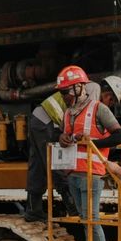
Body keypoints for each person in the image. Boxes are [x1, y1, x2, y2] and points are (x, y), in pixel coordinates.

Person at [56, 65, 121, 241]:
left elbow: (120, 137)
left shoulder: (99, 109)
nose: (64, 97)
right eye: (62, 94)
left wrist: (94, 142)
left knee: (91, 219)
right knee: (84, 219)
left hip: (92, 174)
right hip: (73, 174)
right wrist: (62, 138)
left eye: (66, 92)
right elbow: (65, 138)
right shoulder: (68, 113)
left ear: (79, 88)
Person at [24, 92, 79, 221]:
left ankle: (33, 210)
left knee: (38, 163)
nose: (111, 104)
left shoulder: (81, 88)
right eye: (111, 100)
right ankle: (73, 208)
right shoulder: (93, 91)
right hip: (46, 122)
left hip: (38, 119)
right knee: (57, 162)